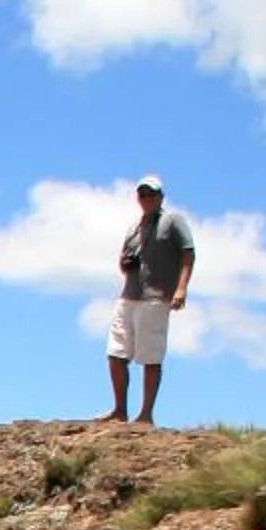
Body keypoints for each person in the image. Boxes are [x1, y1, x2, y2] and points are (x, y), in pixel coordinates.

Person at [103, 175, 194, 422]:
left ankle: (146, 414)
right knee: (116, 351)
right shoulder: (134, 227)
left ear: (160, 197)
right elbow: (123, 260)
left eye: (151, 194)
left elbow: (188, 254)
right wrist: (126, 264)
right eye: (142, 195)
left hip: (155, 296)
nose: (146, 199)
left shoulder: (172, 221)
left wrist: (181, 288)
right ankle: (119, 409)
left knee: (151, 355)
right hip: (129, 294)